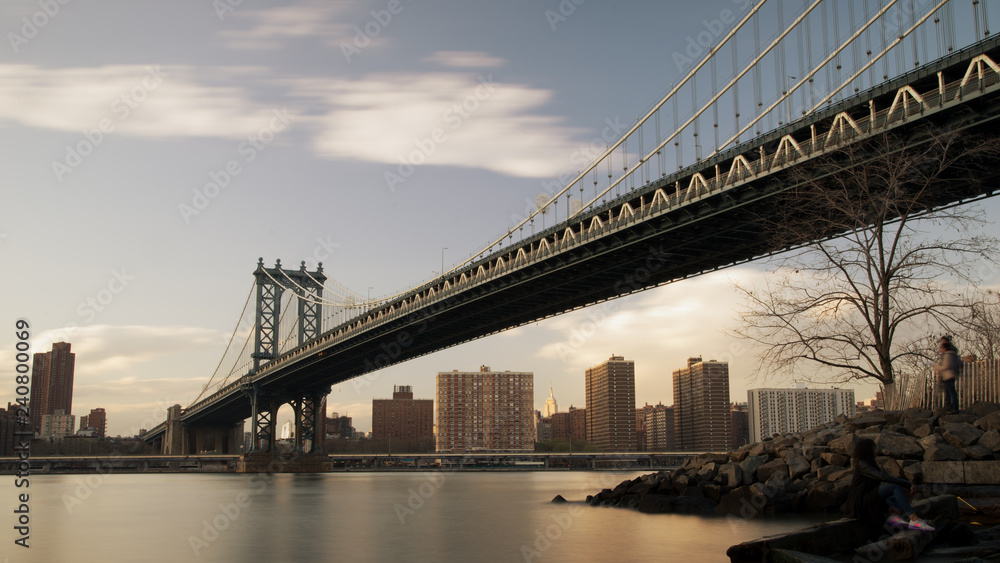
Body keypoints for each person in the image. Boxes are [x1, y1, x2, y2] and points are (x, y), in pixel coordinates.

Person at [846, 437, 935, 535]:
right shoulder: (862, 464)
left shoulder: (869, 462)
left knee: (894, 495)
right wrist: (907, 483)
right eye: (874, 448)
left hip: (868, 495)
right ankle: (914, 519)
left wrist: (890, 504)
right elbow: (882, 477)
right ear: (868, 450)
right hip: (861, 500)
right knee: (894, 487)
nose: (877, 450)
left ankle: (894, 516)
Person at [934, 335, 961, 413]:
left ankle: (953, 408)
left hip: (948, 375)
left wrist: (938, 366)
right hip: (949, 375)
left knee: (951, 392)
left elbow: (946, 365)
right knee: (948, 392)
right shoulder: (952, 353)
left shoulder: (949, 354)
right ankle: (949, 406)